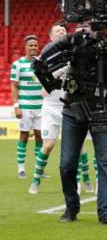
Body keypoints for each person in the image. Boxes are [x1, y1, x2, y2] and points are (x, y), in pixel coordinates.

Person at [40, 23, 107, 224]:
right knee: (66, 164)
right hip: (73, 107)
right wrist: (71, 39)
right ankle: (71, 207)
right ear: (99, 28)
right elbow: (46, 52)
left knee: (106, 161)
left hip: (104, 109)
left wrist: (104, 52)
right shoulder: (77, 41)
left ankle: (106, 211)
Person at [29, 24, 85, 194]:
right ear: (51, 38)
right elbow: (42, 80)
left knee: (79, 147)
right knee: (48, 145)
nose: (61, 32)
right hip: (51, 106)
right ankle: (35, 180)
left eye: (63, 31)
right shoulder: (44, 57)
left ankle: (84, 182)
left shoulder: (75, 53)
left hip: (70, 105)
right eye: (57, 31)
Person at [11, 35, 43, 179]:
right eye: (30, 45)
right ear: (25, 47)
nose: (33, 48)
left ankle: (38, 169)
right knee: (24, 136)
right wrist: (16, 106)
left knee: (40, 137)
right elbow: (14, 85)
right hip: (25, 106)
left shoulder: (42, 63)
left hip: (41, 107)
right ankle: (21, 168)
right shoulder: (18, 64)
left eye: (35, 45)